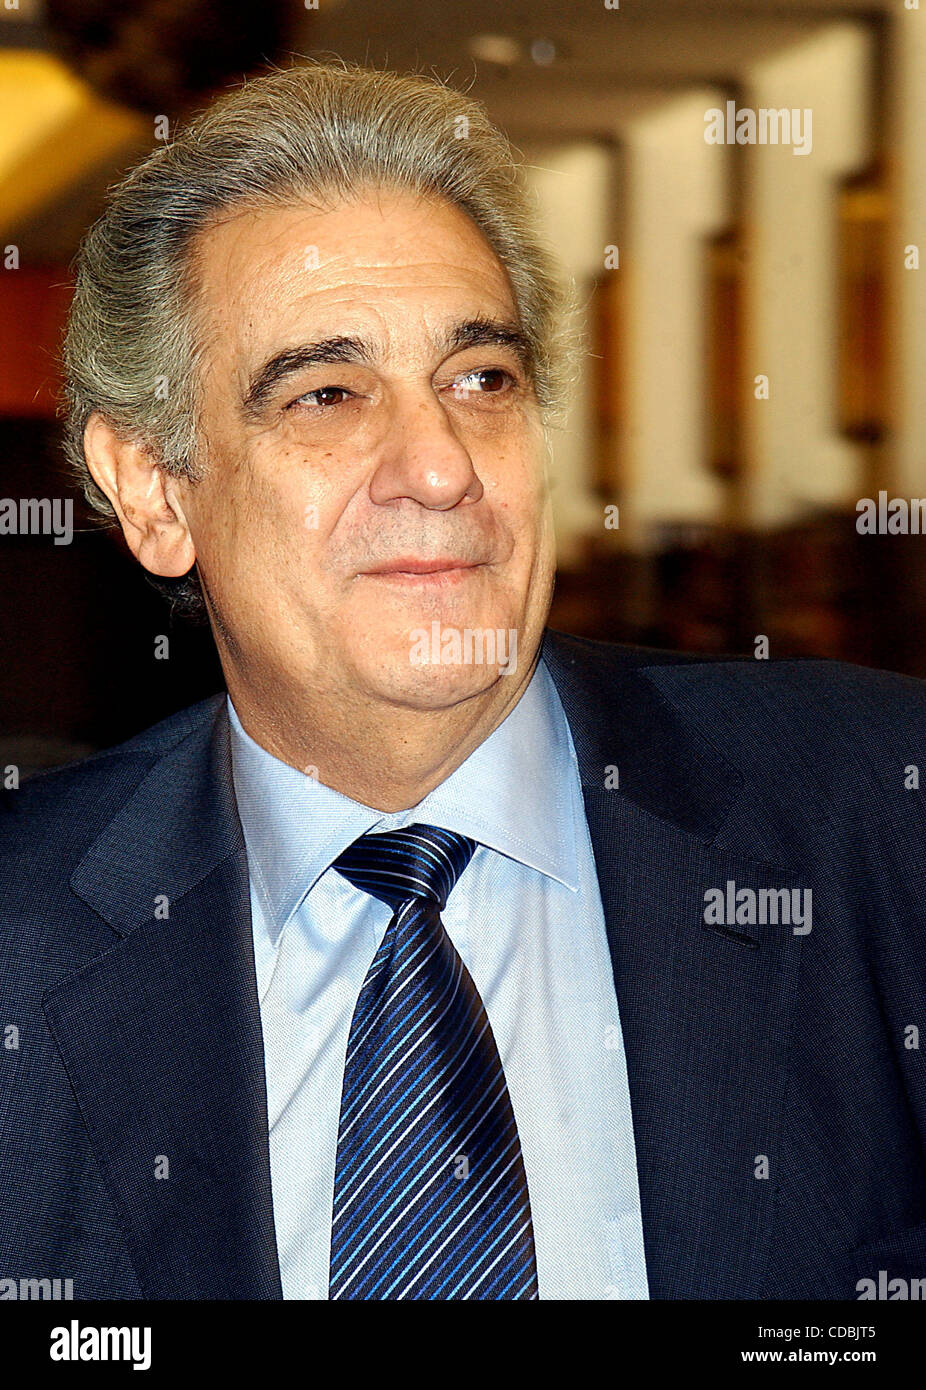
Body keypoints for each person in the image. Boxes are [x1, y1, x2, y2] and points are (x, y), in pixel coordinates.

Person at [2, 61, 924, 1302]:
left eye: (480, 379)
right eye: (326, 394)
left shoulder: (877, 810)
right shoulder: (23, 940)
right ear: (156, 492)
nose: (439, 466)